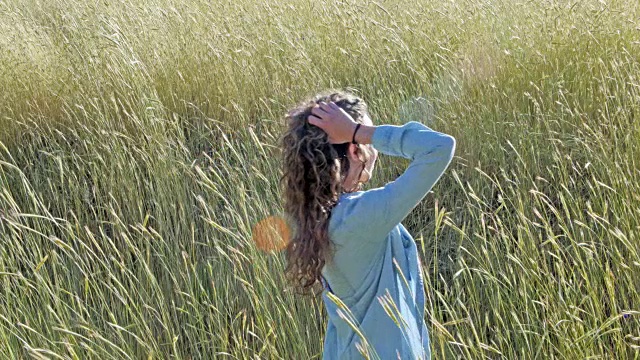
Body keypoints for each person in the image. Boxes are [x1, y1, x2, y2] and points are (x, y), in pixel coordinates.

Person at [280, 90, 456, 359]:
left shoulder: (315, 216)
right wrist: (361, 131)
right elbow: (438, 147)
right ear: (354, 148)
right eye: (363, 138)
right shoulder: (361, 216)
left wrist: (355, 131)